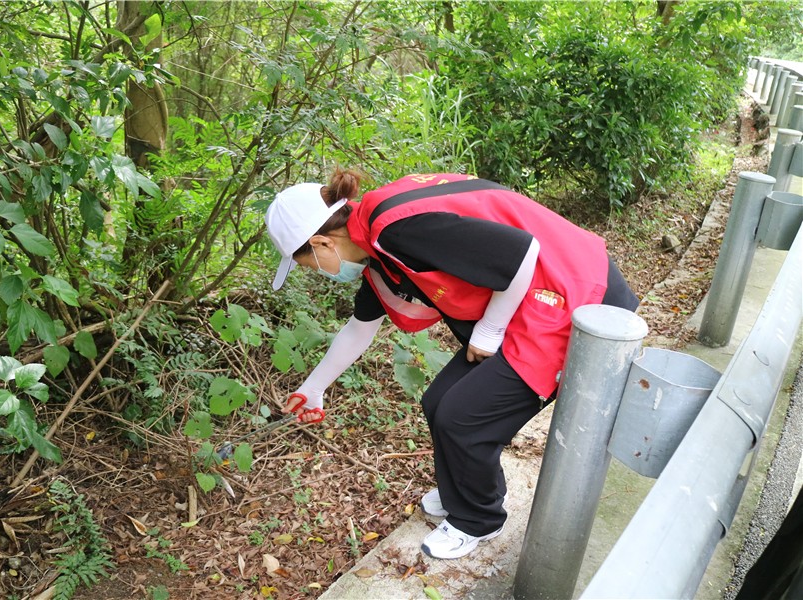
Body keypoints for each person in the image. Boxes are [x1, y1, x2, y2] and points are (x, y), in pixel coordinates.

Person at [265, 169, 639, 560]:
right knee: (438, 402)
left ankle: (479, 520)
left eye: (307, 263)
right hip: (531, 297)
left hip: (573, 294)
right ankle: (467, 493)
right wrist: (314, 388)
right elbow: (359, 329)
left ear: (322, 242)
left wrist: (490, 329)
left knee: (462, 418)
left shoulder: (396, 232)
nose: (317, 272)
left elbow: (522, 252)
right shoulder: (376, 250)